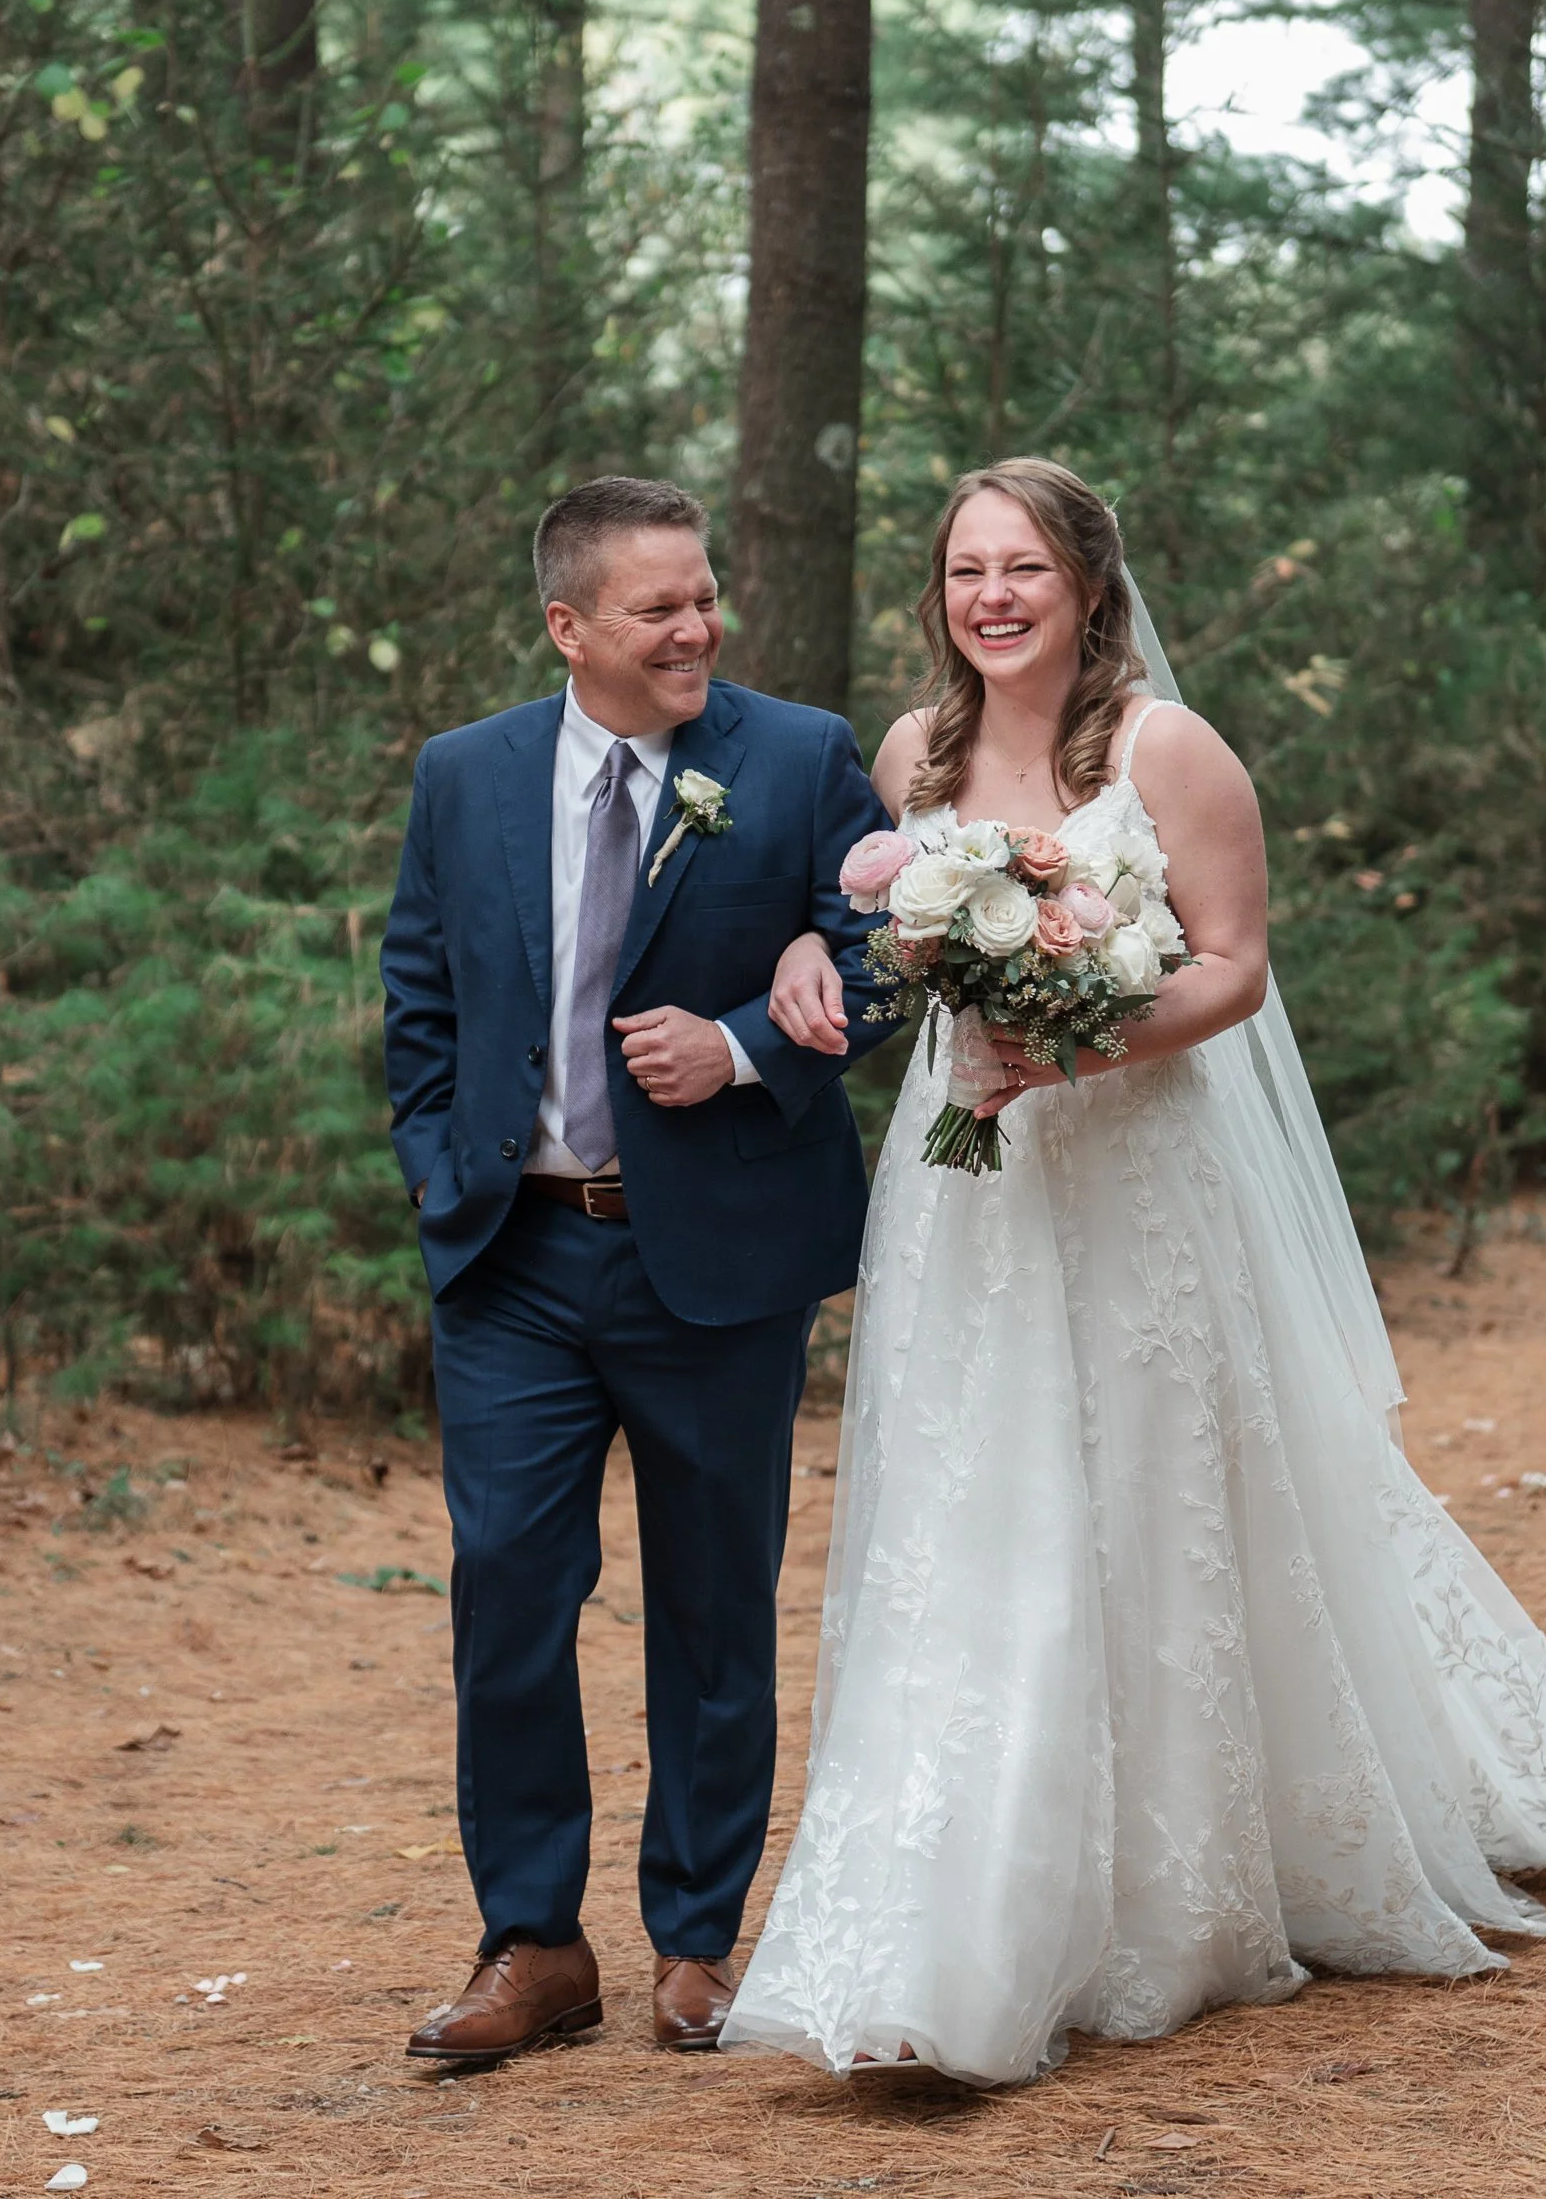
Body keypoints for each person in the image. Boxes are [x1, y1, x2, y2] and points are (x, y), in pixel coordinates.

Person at [720, 456, 1546, 2089]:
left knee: (1155, 1496)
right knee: (971, 1504)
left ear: (1088, 581)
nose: (991, 597)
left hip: (1138, 1167)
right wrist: (841, 957)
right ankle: (946, 1917)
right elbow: (888, 949)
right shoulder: (911, 756)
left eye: (1021, 567)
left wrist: (1077, 1047)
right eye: (963, 573)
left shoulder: (1167, 750)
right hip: (971, 1186)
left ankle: (1172, 1893)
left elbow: (1231, 965)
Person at [379, 476, 898, 2066]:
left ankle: (695, 1943)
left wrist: (742, 1048)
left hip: (718, 1261)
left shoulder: (798, 756)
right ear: (569, 625)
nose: (697, 626)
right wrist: (441, 1181)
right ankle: (534, 1944)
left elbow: (890, 955)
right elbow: (420, 992)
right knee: (510, 1593)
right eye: (658, 606)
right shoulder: (463, 775)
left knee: (715, 1606)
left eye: (703, 596)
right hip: (516, 1261)